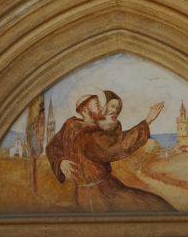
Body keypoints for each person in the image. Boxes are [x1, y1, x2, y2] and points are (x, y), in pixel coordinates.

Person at [48, 90, 176, 212]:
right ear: (85, 110)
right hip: (99, 194)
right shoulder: (88, 136)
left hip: (99, 189)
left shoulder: (71, 124)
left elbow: (53, 146)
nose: (102, 108)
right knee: (156, 205)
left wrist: (60, 161)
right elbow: (118, 146)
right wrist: (147, 121)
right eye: (97, 105)